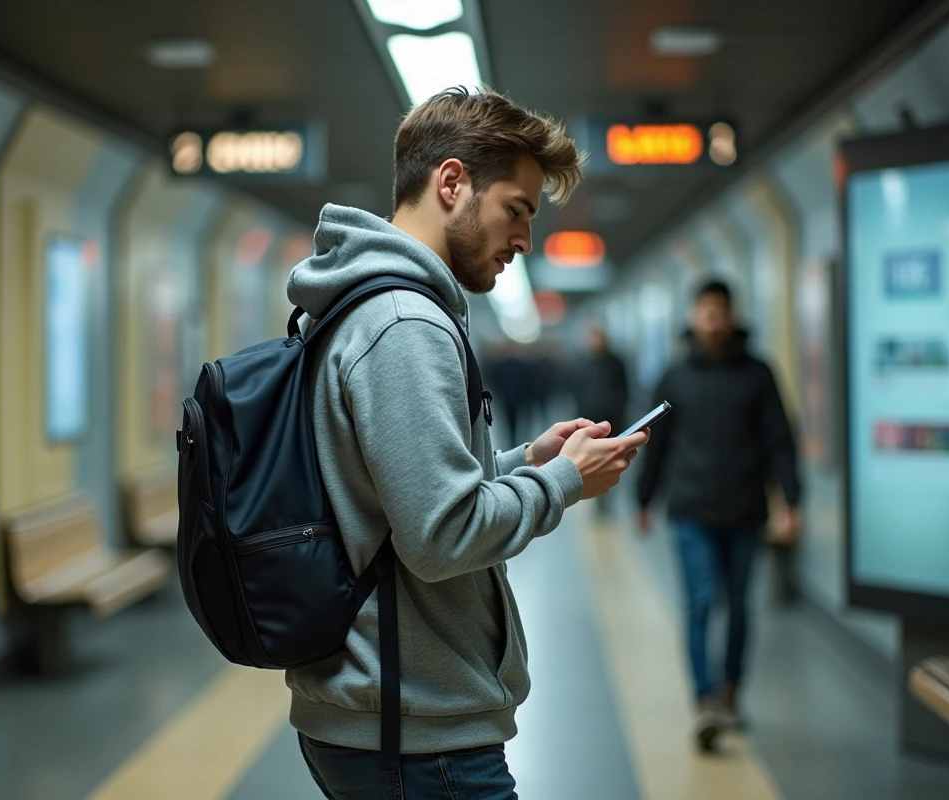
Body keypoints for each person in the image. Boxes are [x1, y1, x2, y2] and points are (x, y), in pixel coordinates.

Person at [285, 86, 650, 799]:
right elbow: (441, 535)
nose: (525, 240)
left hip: (389, 711)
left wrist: (523, 462)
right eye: (517, 209)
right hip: (415, 733)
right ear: (451, 182)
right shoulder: (404, 324)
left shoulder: (366, 304)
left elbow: (399, 495)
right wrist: (563, 483)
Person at [636, 279, 801, 752]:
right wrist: (645, 501)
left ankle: (731, 689)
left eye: (718, 311)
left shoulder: (758, 374)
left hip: (745, 509)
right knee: (701, 602)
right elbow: (656, 443)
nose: (710, 319)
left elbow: (779, 441)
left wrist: (792, 498)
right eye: (702, 311)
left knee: (738, 605)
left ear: (731, 317)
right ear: (692, 317)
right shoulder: (675, 376)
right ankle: (705, 700)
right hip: (690, 509)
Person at [571, 322, 629, 518]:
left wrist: (621, 415)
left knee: (611, 461)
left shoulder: (617, 363)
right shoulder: (583, 364)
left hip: (612, 420)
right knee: (592, 461)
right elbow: (576, 392)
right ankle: (597, 499)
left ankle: (608, 498)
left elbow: (624, 391)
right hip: (590, 422)